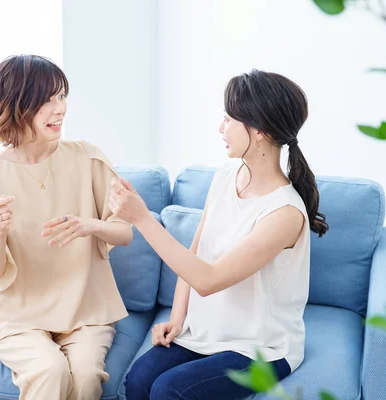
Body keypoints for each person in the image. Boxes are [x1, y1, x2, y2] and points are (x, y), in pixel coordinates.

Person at [110, 69, 329, 400]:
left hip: (261, 349)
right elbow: (196, 253)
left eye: (228, 119)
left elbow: (208, 279)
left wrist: (142, 219)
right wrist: (178, 318)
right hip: (205, 332)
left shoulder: (284, 213)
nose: (220, 127)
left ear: (257, 130)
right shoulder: (227, 175)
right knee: (139, 380)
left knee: (169, 390)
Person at [0, 54, 132, 400]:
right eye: (47, 100)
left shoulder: (87, 157)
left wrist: (89, 225)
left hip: (86, 307)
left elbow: (125, 232)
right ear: (17, 106)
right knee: (49, 372)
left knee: (84, 378)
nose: (60, 109)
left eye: (62, 97)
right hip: (16, 314)